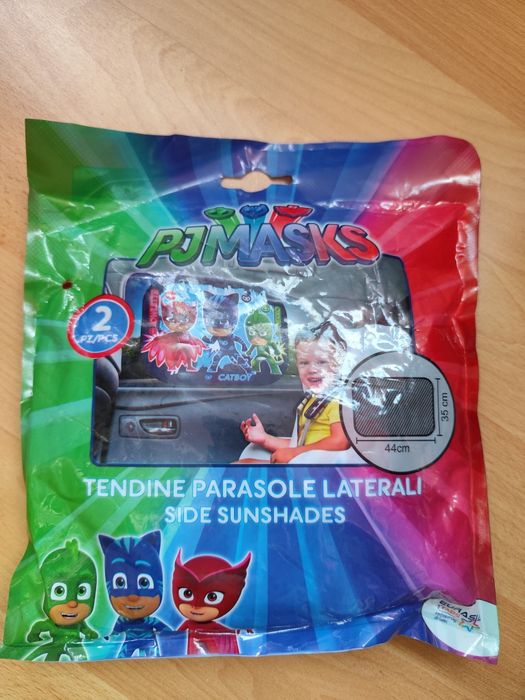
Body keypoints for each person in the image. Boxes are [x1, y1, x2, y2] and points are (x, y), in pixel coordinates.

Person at [238, 323, 350, 463]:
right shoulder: (313, 400)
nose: (312, 369)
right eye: (304, 363)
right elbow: (299, 444)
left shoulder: (338, 400)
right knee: (244, 464)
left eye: (321, 362)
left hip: (322, 469)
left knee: (242, 466)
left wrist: (294, 453)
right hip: (307, 464)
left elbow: (340, 441)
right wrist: (265, 439)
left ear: (337, 364)